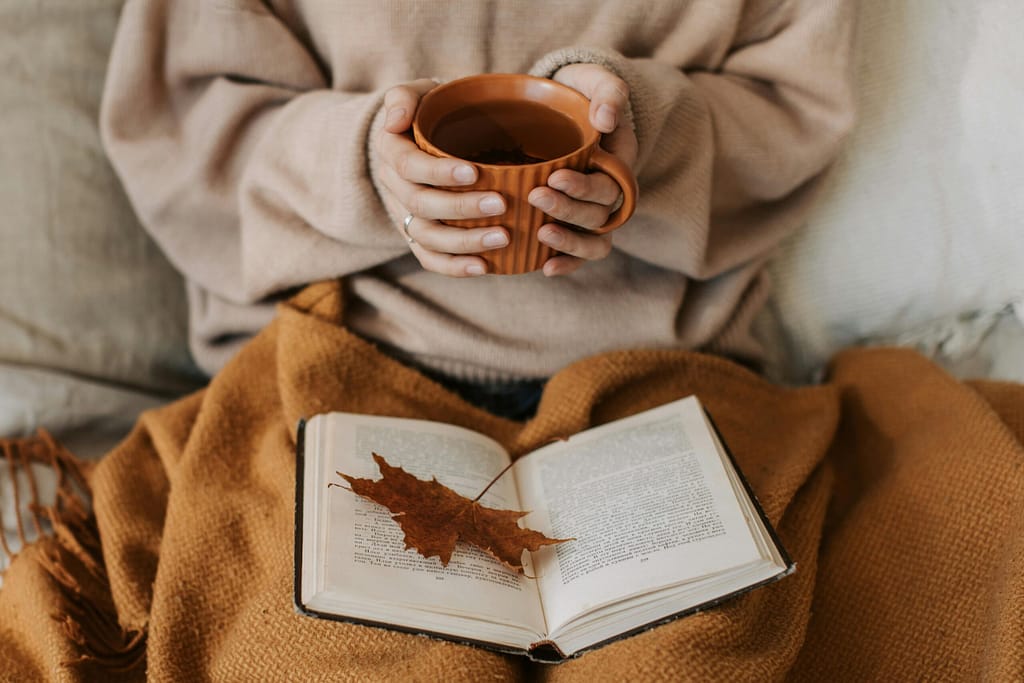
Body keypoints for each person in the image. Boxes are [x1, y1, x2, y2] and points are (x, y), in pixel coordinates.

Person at [100, 0, 855, 420]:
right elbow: (183, 130)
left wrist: (646, 135)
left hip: (662, 376)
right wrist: (366, 162)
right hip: (340, 360)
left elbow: (793, 110)